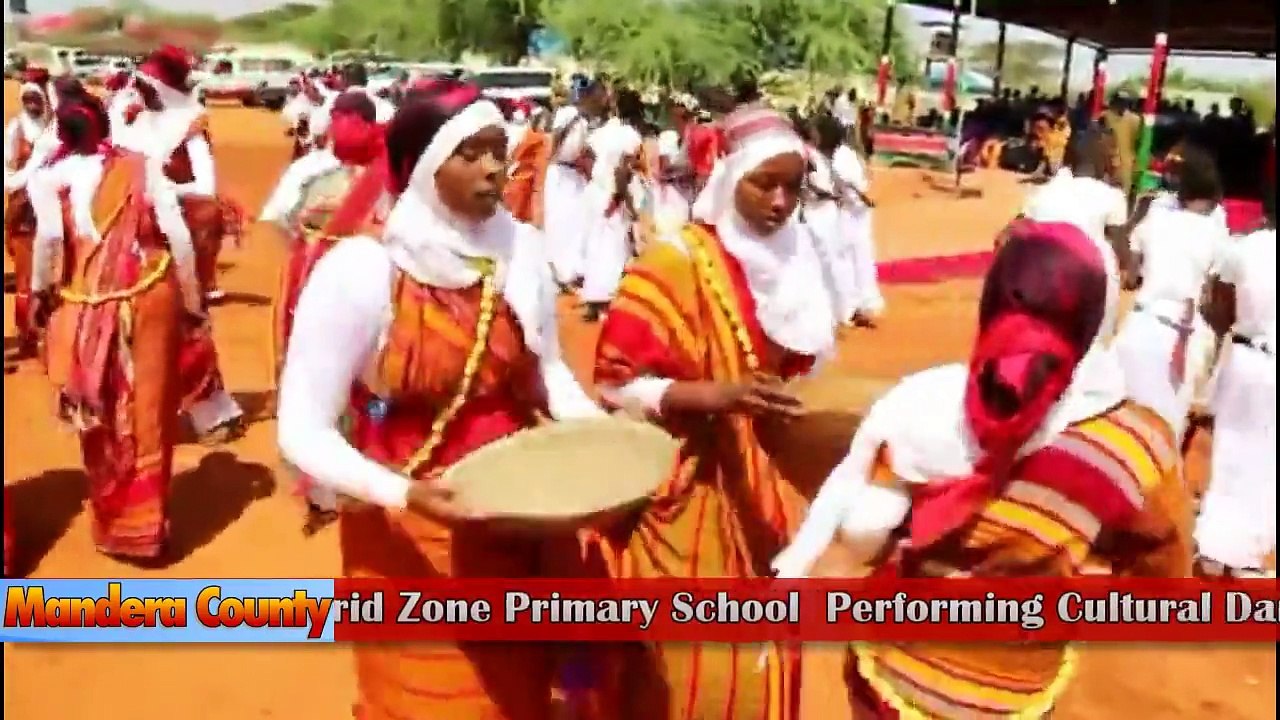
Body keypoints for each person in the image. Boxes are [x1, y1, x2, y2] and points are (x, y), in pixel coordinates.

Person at [276, 81, 607, 720]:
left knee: (519, 691)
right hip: (408, 525)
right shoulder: (364, 271)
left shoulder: (521, 249)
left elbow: (548, 375)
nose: (494, 168)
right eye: (471, 153)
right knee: (432, 697)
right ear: (425, 168)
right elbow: (301, 428)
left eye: (497, 151)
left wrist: (609, 444)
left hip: (523, 509)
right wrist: (407, 495)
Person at [775, 220, 1192, 719]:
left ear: (991, 301)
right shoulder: (1132, 445)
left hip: (894, 675)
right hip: (1010, 688)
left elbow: (865, 534)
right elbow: (1162, 577)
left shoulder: (922, 407)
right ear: (1094, 320)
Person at [591, 107, 841, 720]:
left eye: (793, 187)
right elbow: (615, 385)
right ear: (729, 179)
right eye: (765, 185)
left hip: (765, 488)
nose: (781, 203)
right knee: (693, 667)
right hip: (684, 490)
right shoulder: (674, 263)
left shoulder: (799, 259)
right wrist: (712, 396)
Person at [28, 97, 192, 560]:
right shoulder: (139, 167)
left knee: (97, 408)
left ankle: (117, 521)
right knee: (150, 406)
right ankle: (148, 526)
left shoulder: (49, 179)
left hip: (86, 304)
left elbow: (51, 242)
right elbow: (177, 236)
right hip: (151, 293)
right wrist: (194, 301)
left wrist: (40, 293)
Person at [260, 91, 391, 534]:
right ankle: (362, 471)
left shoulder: (309, 169)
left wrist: (307, 252)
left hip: (307, 281)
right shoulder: (392, 182)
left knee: (311, 373)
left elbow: (279, 218)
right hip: (370, 283)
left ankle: (321, 488)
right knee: (363, 374)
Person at [113, 45, 244, 443]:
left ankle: (212, 411)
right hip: (131, 230)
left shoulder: (191, 126)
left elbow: (204, 186)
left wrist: (161, 188)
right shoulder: (134, 122)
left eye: (147, 86)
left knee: (187, 322)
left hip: (176, 232)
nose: (140, 92)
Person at [1113, 145, 1228, 440]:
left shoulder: (1156, 212)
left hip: (1139, 325)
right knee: (1165, 436)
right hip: (1182, 335)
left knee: (1120, 422)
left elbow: (1129, 274)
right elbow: (1214, 297)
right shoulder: (1216, 228)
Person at [1195, 190, 1276, 578]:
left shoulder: (1242, 248)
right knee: (1266, 463)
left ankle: (1213, 548)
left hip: (1242, 360)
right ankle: (1246, 557)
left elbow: (1216, 310)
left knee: (1228, 454)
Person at [579, 92, 645, 321]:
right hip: (612, 195)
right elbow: (622, 172)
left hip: (596, 192)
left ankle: (594, 299)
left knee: (595, 245)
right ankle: (607, 298)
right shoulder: (629, 136)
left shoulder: (598, 135)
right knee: (614, 248)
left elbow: (586, 161)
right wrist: (622, 199)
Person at [4, 69, 53, 357]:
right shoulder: (15, 130)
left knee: (49, 278)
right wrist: (27, 181)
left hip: (52, 210)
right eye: (29, 99)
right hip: (24, 213)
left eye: (38, 99)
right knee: (25, 278)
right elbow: (8, 171)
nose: (33, 104)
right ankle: (26, 337)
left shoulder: (55, 127)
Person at [544, 79, 609, 289]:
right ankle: (561, 271)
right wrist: (547, 161)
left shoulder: (583, 117)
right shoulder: (569, 114)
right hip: (560, 174)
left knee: (575, 223)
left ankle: (571, 270)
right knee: (561, 221)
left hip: (572, 174)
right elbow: (555, 138)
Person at [831, 115, 883, 323]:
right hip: (857, 210)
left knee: (847, 256)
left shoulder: (841, 155)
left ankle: (853, 302)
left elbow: (850, 183)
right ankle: (862, 300)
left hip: (850, 210)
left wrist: (863, 197)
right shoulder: (852, 154)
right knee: (859, 254)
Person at [502, 98, 551, 227]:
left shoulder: (525, 136)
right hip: (527, 188)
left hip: (516, 185)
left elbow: (509, 160)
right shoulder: (541, 140)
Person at [1101, 93, 1141, 196]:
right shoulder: (1105, 117)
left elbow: (1138, 144)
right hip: (1109, 165)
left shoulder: (1135, 120)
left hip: (1125, 167)